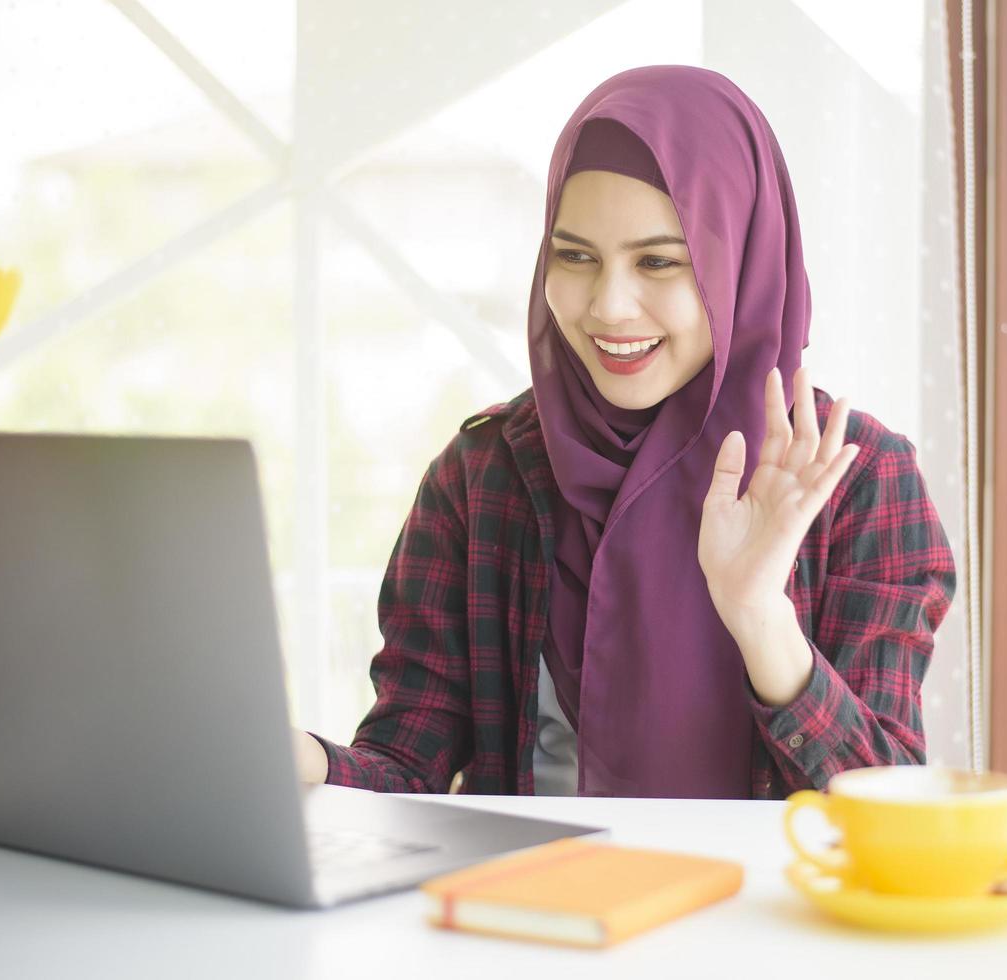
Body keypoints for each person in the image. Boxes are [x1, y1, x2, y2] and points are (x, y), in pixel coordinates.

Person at [293, 65, 955, 800]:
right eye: (575, 257)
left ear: (740, 258)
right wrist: (298, 759)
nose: (609, 307)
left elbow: (889, 807)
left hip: (766, 914)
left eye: (659, 262)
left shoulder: (852, 482)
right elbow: (405, 764)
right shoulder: (484, 477)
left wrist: (761, 618)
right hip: (535, 907)